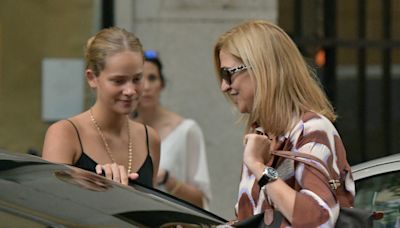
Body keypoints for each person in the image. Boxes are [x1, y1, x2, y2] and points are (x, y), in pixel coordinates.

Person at [213, 20, 355, 227]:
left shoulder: (312, 129)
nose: (224, 86)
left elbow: (317, 221)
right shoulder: (262, 135)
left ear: (262, 69)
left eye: (229, 73)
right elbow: (253, 220)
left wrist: (259, 167)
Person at [42, 27, 160, 188]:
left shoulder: (150, 138)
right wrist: (91, 186)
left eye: (137, 79)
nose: (130, 91)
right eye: (118, 81)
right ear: (92, 78)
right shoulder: (65, 133)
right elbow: (51, 201)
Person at [131, 50, 211, 208]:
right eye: (139, 79)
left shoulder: (186, 130)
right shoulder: (123, 128)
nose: (146, 86)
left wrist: (167, 179)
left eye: (152, 78)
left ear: (162, 84)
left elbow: (201, 201)